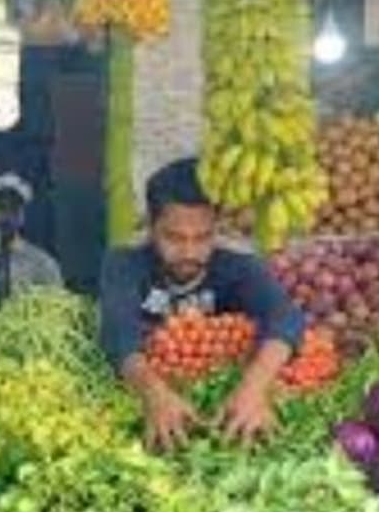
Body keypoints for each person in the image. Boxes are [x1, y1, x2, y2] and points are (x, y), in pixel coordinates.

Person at [99, 157, 305, 449]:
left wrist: (253, 388)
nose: (189, 252)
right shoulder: (125, 264)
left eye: (202, 237)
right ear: (150, 226)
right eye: (174, 237)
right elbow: (118, 333)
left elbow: (286, 317)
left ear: (216, 228)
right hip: (145, 397)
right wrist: (153, 393)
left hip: (223, 406)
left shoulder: (238, 267)